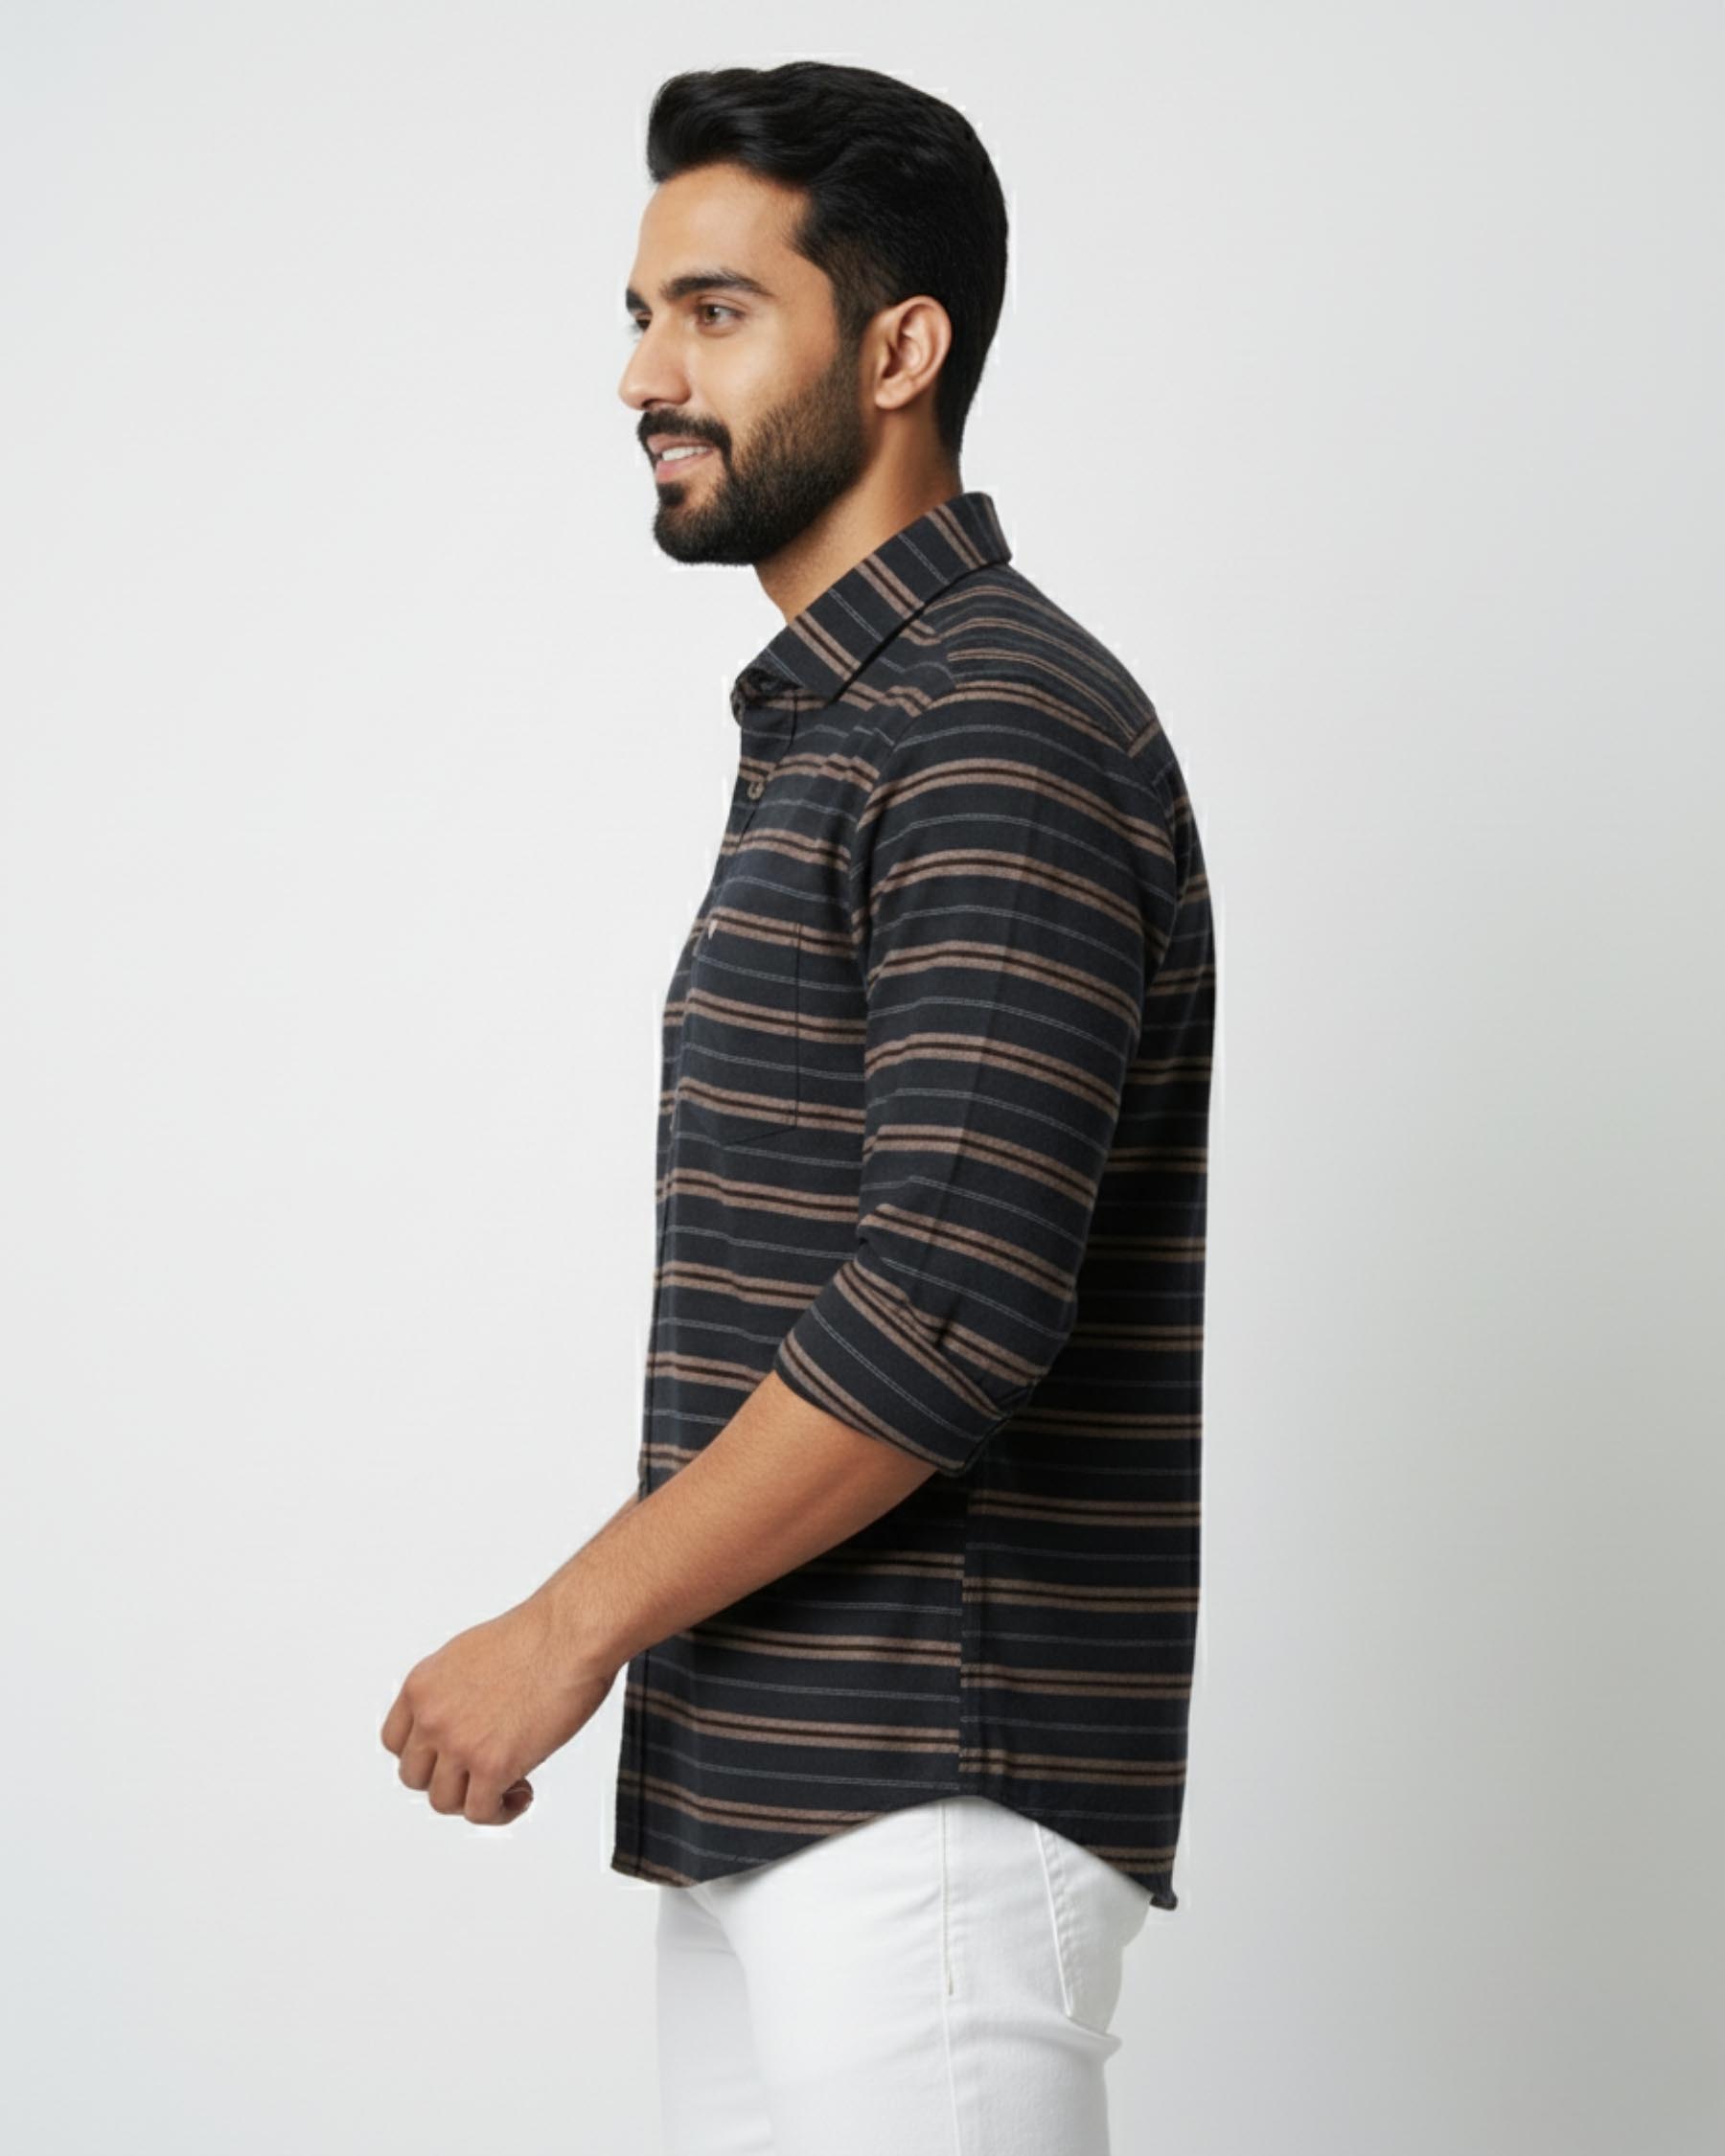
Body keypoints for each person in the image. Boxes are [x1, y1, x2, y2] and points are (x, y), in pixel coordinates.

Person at [381, 58, 1215, 2156]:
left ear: (901, 349)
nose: (646, 376)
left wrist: (561, 1629)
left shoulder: (992, 727)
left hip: (923, 1796)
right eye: (642, 313)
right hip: (781, 1787)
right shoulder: (860, 723)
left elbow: (943, 1313)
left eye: (718, 312)